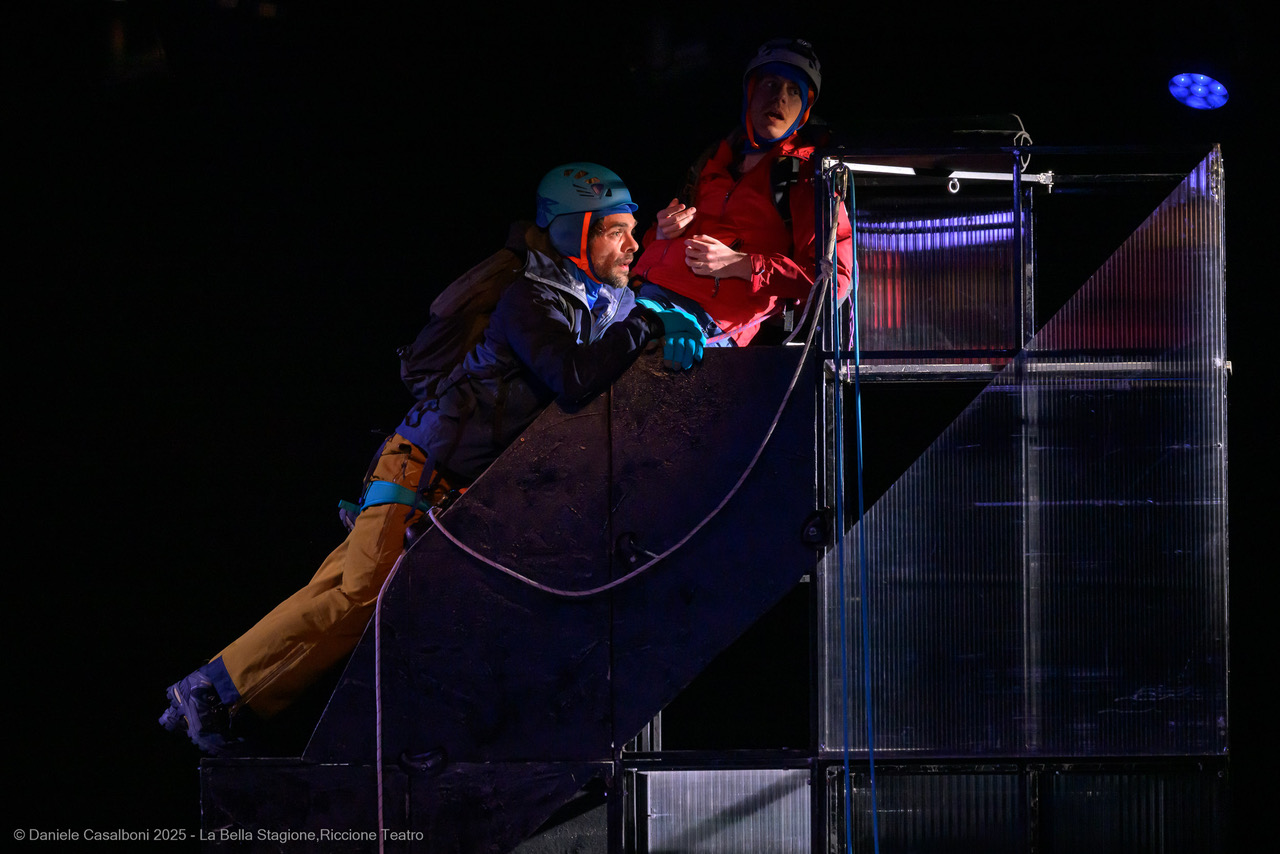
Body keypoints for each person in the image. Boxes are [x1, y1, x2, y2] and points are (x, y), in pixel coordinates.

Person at [158, 163, 707, 755]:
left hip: (442, 477)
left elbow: (623, 328)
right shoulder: (529, 298)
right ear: (578, 234)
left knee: (344, 589)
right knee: (365, 596)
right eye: (616, 230)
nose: (633, 243)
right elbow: (573, 377)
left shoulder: (594, 299)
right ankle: (214, 694)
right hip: (420, 466)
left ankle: (209, 689)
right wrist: (649, 317)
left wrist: (666, 312)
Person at [630, 38, 854, 347]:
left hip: (707, 323)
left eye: (794, 91)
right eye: (771, 84)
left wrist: (742, 264)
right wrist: (664, 231)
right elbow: (654, 245)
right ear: (750, 91)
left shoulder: (807, 175)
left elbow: (835, 280)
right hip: (643, 294)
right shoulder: (713, 160)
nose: (780, 99)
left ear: (805, 108)